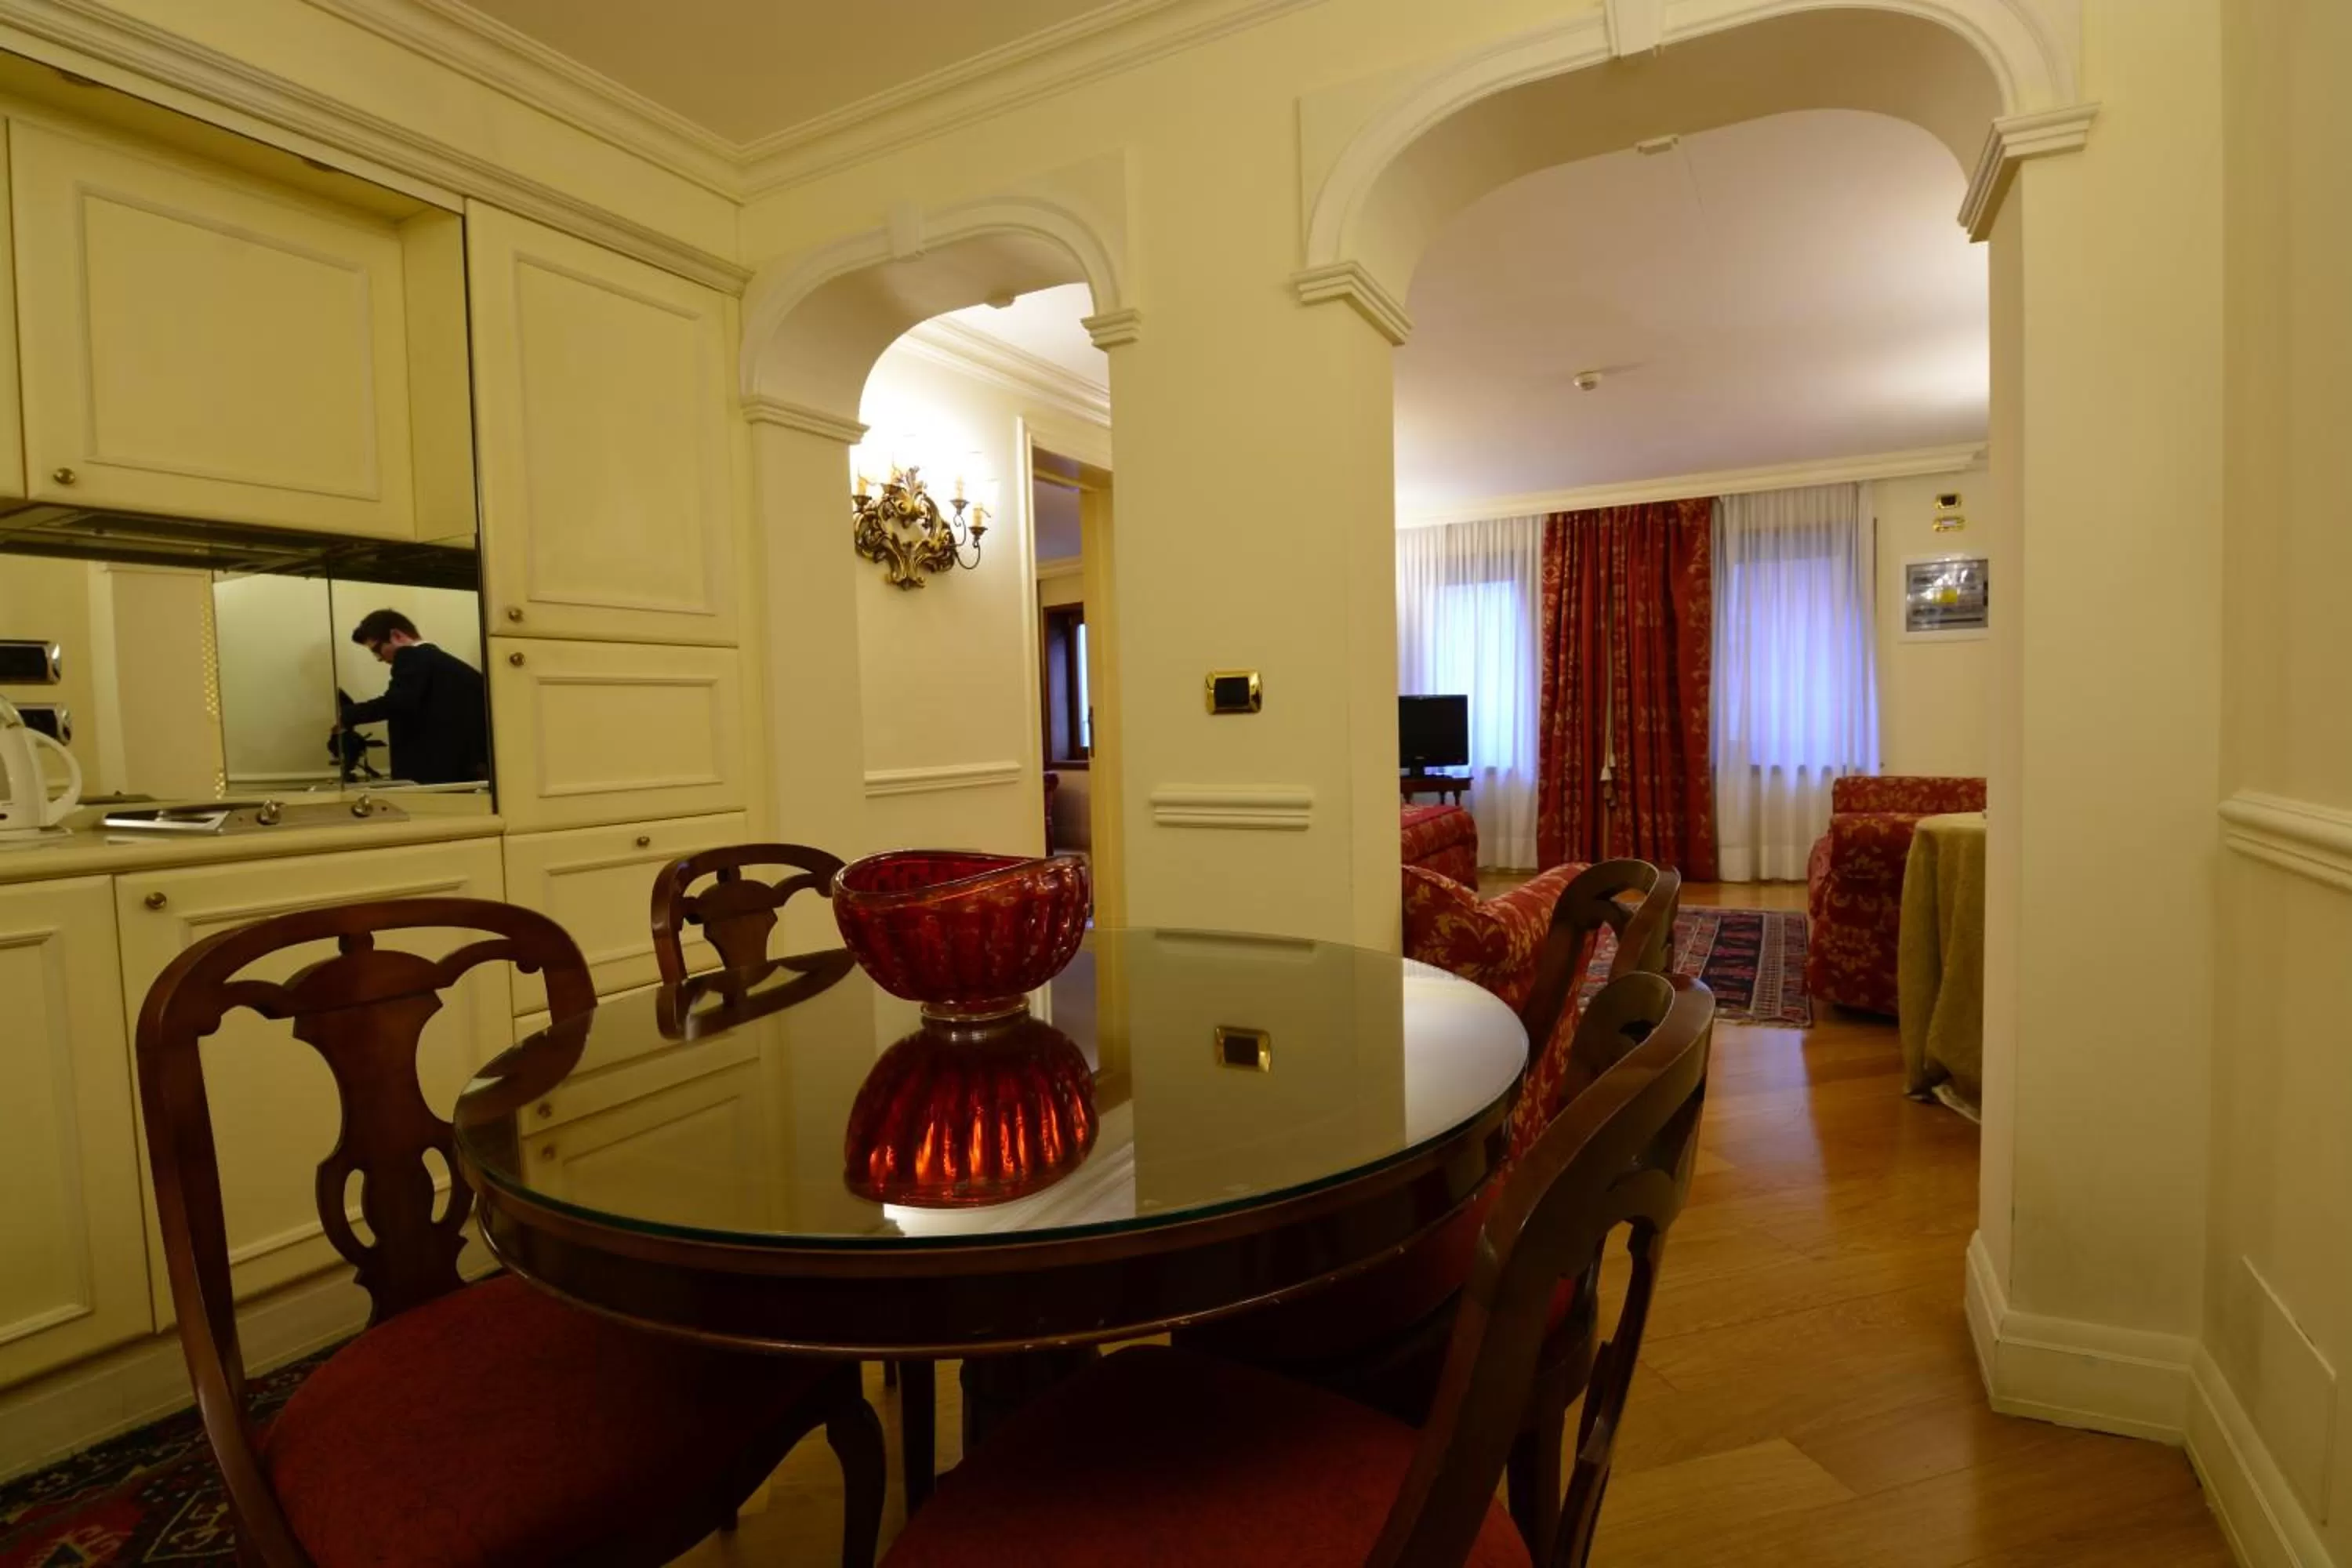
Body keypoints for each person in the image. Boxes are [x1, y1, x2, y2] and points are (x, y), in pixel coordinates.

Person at [336, 609, 489, 786]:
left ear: (397, 636)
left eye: (377, 649)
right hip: (465, 774)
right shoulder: (452, 667)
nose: (379, 658)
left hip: (431, 776)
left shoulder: (412, 655)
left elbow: (397, 702)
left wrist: (347, 715)